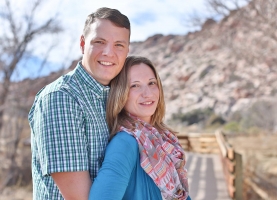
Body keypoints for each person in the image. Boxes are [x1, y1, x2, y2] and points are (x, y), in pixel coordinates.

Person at [28, 7, 130, 200]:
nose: (109, 52)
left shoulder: (113, 97)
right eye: (99, 42)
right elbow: (78, 197)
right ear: (83, 44)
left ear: (127, 51)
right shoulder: (61, 98)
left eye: (119, 45)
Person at [89, 56, 191, 200]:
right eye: (135, 85)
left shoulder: (163, 137)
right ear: (120, 93)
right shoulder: (125, 143)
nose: (147, 93)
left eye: (151, 83)